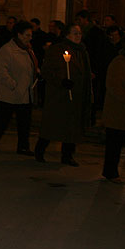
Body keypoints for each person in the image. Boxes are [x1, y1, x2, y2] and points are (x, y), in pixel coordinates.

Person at [34, 24, 92, 166]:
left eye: (79, 33)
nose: (78, 36)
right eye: (75, 33)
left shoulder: (82, 51)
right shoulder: (57, 49)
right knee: (53, 125)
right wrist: (61, 81)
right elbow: (47, 71)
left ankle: (67, 155)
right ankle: (40, 149)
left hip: (76, 95)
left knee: (71, 128)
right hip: (60, 95)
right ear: (67, 35)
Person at [0, 21, 38, 155]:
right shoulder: (7, 50)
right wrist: (12, 84)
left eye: (30, 35)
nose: (29, 38)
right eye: (27, 35)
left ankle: (23, 146)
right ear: (19, 35)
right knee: (2, 120)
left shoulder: (28, 50)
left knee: (24, 122)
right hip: (10, 93)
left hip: (25, 93)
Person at [101, 30, 125, 182]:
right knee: (114, 146)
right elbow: (114, 87)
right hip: (118, 113)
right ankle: (111, 173)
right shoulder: (119, 63)